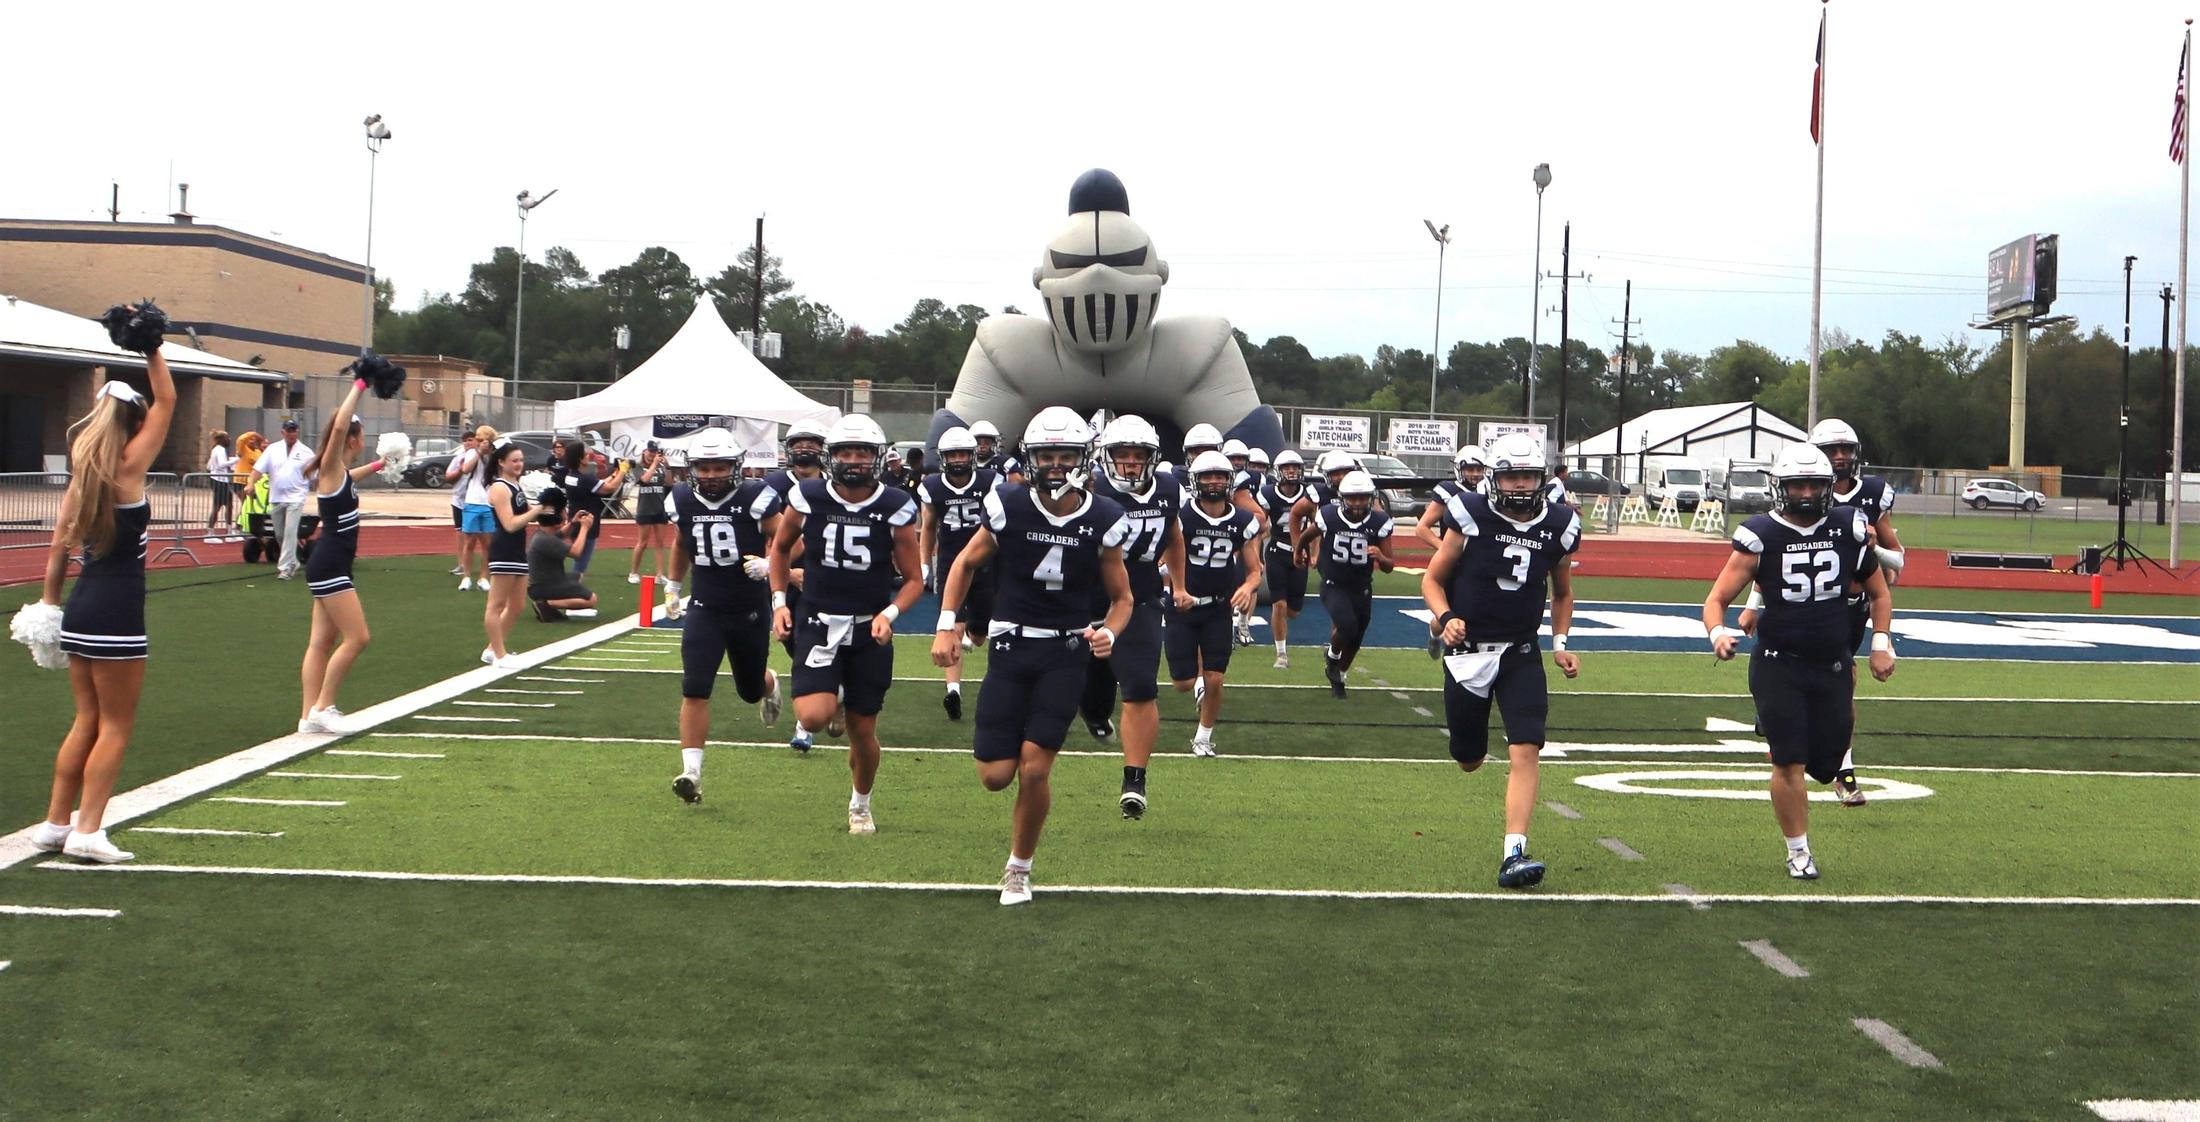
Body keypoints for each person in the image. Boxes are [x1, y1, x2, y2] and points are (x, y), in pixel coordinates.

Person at [932, 406, 1132, 905]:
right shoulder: (1008, 504)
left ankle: (1018, 869)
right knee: (995, 776)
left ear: (1084, 458)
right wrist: (946, 624)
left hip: (1065, 650)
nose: (1056, 466)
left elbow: (1123, 598)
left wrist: (1109, 632)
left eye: (1066, 456)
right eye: (1046, 456)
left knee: (1036, 768)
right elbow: (964, 563)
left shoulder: (1104, 517)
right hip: (1009, 646)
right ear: (1031, 458)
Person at [1704, 443, 1895, 880]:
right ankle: (1798, 852)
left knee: (1826, 764)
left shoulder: (1848, 527)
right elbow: (1715, 599)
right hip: (1779, 662)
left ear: (1828, 487)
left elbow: (1880, 592)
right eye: (1797, 485)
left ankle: (1807, 754)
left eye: (1814, 485)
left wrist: (1881, 643)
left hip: (1832, 663)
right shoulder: (1760, 535)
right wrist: (1718, 634)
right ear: (1780, 487)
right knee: (1788, 761)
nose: (1806, 494)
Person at [1419, 432, 1582, 889]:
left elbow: (1563, 592)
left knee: (1526, 748)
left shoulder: (1560, 523)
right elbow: (1431, 581)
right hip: (1467, 651)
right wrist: (1445, 617)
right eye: (1512, 476)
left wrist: (1561, 642)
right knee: (1468, 759)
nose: (1520, 485)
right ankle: (1434, 635)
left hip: (1520, 650)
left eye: (1528, 475)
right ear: (1494, 478)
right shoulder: (1469, 514)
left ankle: (1514, 853)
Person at [31, 357, 176, 864]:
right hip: (117, 611)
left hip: (81, 606)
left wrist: (49, 606)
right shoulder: (128, 467)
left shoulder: (82, 477)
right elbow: (168, 400)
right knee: (115, 725)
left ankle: (56, 824)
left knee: (87, 719)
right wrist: (152, 348)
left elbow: (57, 550)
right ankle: (88, 830)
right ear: (134, 424)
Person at [768, 414, 924, 834]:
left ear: (877, 457)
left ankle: (860, 804)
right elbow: (780, 550)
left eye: (862, 453)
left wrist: (889, 614)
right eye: (845, 452)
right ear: (830, 457)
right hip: (818, 620)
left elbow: (914, 580)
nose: (853, 460)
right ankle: (832, 695)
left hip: (867, 627)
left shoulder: (894, 505)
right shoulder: (808, 496)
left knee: (862, 730)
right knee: (812, 718)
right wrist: (779, 602)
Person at [1741, 418, 1908, 807]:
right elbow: (1777, 560)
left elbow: (1897, 561)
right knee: (1790, 667)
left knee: (1844, 681)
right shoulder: (1796, 494)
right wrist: (1753, 603)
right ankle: (1785, 721)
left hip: (1849, 606)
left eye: (1845, 449)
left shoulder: (1871, 495)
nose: (1840, 457)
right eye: (1831, 450)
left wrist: (1868, 547)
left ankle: (1840, 766)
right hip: (1801, 605)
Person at [664, 429, 786, 804]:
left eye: (720, 467)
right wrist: (673, 585)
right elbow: (682, 542)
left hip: (748, 608)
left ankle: (769, 684)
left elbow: (790, 538)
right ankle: (691, 772)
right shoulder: (682, 499)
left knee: (749, 690)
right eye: (704, 467)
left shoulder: (755, 496)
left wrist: (769, 563)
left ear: (736, 467)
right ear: (692, 469)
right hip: (705, 607)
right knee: (694, 685)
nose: (712, 474)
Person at [1076, 415, 1183, 817]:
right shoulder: (1089, 490)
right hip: (1090, 599)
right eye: (1123, 454)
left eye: (1139, 455)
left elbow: (1174, 536)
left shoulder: (1168, 489)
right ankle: (1094, 711)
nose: (1132, 462)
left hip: (1140, 597)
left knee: (1140, 686)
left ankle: (1134, 779)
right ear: (1107, 456)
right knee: (1092, 692)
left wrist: (1179, 584)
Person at [297, 376, 392, 735]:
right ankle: (324, 706)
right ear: (352, 439)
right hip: (331, 563)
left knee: (321, 643)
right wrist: (361, 384)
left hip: (329, 562)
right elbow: (338, 426)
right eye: (361, 434)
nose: (363, 439)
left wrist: (382, 464)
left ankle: (307, 716)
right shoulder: (331, 467)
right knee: (358, 637)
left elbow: (354, 476)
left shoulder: (342, 474)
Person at [1167, 450, 1262, 758]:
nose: (1213, 482)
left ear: (1229, 480)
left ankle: (1203, 738)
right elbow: (1164, 557)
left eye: (1219, 476)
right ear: (1195, 480)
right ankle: (1195, 683)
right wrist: (1176, 587)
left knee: (1216, 678)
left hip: (1218, 607)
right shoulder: (1181, 517)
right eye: (1207, 476)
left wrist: (1247, 587)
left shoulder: (1242, 521)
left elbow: (1255, 570)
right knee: (1182, 683)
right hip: (1182, 606)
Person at [917, 426, 1002, 720]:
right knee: (952, 625)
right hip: (951, 564)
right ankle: (953, 690)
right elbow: (928, 527)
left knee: (978, 634)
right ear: (943, 457)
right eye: (952, 454)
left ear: (972, 455)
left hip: (986, 561)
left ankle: (971, 635)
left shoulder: (991, 481)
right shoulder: (932, 487)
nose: (957, 460)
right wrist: (925, 564)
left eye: (962, 454)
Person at [756, 420, 830, 749]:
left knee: (811, 646)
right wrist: (783, 573)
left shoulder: (835, 486)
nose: (805, 449)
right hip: (780, 577)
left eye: (812, 443)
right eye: (799, 443)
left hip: (825, 577)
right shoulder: (771, 486)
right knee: (791, 643)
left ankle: (805, 723)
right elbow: (764, 537)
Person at [1297, 469, 1395, 698]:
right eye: (1352, 497)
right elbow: (1307, 535)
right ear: (1342, 497)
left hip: (1361, 586)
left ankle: (1339, 676)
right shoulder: (1329, 516)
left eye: (1362, 497)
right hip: (1334, 582)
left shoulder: (1379, 521)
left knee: (1356, 638)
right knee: (1347, 625)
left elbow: (1389, 566)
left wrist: (1381, 557)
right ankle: (1332, 658)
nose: (1357, 503)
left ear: (1371, 498)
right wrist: (1298, 551)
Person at [1416, 444, 1490, 658]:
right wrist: (1447, 550)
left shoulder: (1489, 491)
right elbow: (1422, 528)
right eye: (1470, 469)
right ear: (1459, 469)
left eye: (1479, 469)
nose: (1475, 474)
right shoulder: (1449, 491)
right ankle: (1435, 634)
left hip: (1480, 561)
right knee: (1447, 614)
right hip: (1453, 563)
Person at [479, 439, 533, 668]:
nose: (519, 464)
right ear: (501, 462)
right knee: (496, 605)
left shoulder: (516, 485)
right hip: (504, 549)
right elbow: (510, 524)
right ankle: (500, 656)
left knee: (518, 605)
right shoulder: (499, 488)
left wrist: (552, 509)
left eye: (521, 460)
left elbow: (527, 514)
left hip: (518, 549)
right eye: (514, 460)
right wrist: (538, 511)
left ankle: (491, 650)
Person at [1256, 449, 1311, 669]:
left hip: (1300, 554)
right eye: (1287, 467)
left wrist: (1315, 553)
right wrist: (1256, 551)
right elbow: (1260, 525)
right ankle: (1281, 654)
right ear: (1278, 471)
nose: (1291, 471)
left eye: (1295, 467)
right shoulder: (1268, 494)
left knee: (1293, 611)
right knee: (1278, 604)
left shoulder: (1309, 494)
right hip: (1277, 551)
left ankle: (1281, 623)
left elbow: (1318, 526)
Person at [250, 417, 315, 580]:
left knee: (290, 531)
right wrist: (250, 484)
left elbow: (315, 474)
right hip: (277, 497)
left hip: (296, 497)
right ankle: (293, 561)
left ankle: (285, 569)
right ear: (283, 432)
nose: (292, 434)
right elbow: (258, 469)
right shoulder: (272, 449)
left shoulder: (306, 452)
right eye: (289, 431)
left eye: (294, 431)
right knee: (280, 534)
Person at [554, 438, 628, 579]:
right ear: (580, 459)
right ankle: (572, 588)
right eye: (585, 454)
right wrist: (623, 471)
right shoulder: (585, 479)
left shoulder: (571, 476)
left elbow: (599, 484)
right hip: (586, 525)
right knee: (580, 566)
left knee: (578, 560)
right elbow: (609, 488)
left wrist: (615, 474)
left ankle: (570, 585)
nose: (588, 455)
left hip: (574, 522)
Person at [526, 490, 599, 619]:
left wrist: (573, 523)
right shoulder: (545, 540)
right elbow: (576, 552)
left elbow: (560, 535)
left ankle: (550, 608)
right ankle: (546, 604)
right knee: (591, 599)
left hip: (543, 582)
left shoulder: (542, 535)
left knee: (577, 576)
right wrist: (584, 528)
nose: (565, 514)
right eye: (563, 512)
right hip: (543, 587)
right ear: (557, 518)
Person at [453, 425, 498, 591]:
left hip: (489, 502)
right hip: (472, 501)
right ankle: (466, 577)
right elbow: (465, 469)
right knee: (469, 541)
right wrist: (479, 452)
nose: (483, 443)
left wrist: (491, 453)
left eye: (486, 440)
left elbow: (498, 473)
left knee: (487, 543)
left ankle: (483, 577)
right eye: (480, 440)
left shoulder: (495, 455)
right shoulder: (473, 453)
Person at [627, 443, 673, 585]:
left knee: (660, 543)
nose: (652, 454)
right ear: (644, 451)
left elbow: (669, 483)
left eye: (655, 452)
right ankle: (633, 572)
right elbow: (644, 480)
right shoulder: (637, 466)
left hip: (660, 508)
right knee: (643, 543)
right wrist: (654, 464)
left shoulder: (660, 466)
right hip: (645, 509)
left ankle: (660, 574)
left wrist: (667, 467)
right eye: (650, 451)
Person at [445, 430, 482, 584]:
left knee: (481, 534)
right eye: (465, 440)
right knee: (461, 532)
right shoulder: (458, 458)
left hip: (476, 501)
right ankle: (461, 564)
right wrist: (460, 470)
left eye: (471, 440)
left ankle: (488, 565)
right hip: (459, 501)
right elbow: (448, 477)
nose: (468, 443)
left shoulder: (482, 458)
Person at [204, 430, 238, 530]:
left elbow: (209, 466)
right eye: (227, 438)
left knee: (229, 506)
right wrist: (236, 459)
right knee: (217, 507)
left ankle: (229, 530)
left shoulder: (215, 449)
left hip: (219, 480)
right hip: (220, 481)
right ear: (222, 439)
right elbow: (222, 464)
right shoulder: (220, 450)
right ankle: (210, 531)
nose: (229, 439)